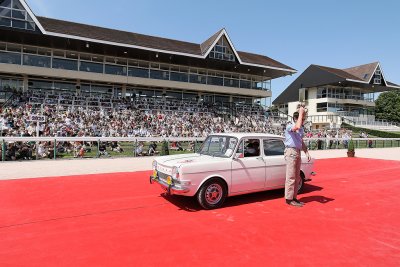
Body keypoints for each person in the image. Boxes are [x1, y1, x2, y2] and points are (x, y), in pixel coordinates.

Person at [284, 106, 311, 207]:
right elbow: (297, 126)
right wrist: (301, 113)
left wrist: (306, 152)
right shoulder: (289, 126)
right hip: (291, 151)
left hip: (297, 151)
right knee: (291, 176)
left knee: (297, 177)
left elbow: (300, 141)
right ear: (296, 118)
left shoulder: (300, 128)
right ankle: (289, 198)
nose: (303, 121)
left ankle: (294, 197)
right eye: (302, 119)